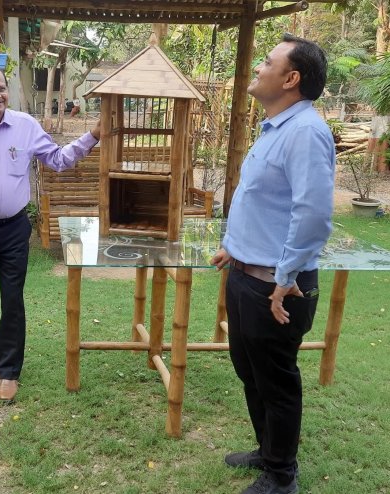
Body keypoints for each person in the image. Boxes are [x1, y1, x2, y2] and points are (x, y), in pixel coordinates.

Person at [210, 34, 335, 494]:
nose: (259, 67)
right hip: (246, 275)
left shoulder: (305, 132)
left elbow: (313, 214)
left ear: (291, 78)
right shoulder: (276, 128)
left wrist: (285, 278)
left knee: (276, 379)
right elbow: (261, 202)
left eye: (267, 61)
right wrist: (233, 247)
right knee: (250, 370)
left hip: (279, 288)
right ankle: (268, 451)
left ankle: (281, 476)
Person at [0, 65, 100, 402]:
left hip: (14, 228)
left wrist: (93, 137)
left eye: (0, 88)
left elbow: (56, 159)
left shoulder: (26, 126)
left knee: (12, 298)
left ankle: (10, 371)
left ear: (7, 91)